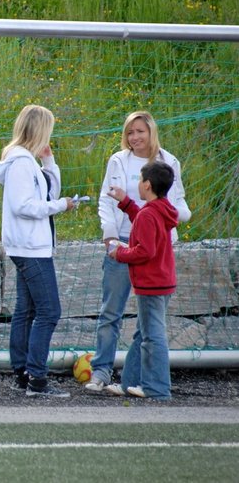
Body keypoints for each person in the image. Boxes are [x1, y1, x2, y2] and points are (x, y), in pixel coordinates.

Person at [86, 111, 190, 395]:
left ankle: (155, 386)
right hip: (121, 241)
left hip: (151, 254)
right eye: (130, 132)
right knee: (112, 312)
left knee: (151, 329)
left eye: (140, 131)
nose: (134, 137)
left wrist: (160, 218)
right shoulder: (118, 160)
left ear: (151, 131)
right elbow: (108, 201)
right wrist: (110, 237)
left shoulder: (169, 162)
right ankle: (104, 373)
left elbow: (178, 208)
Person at [0, 104, 75, 398]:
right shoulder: (20, 164)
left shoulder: (30, 162)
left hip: (32, 246)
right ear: (40, 130)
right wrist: (60, 206)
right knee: (49, 311)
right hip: (30, 248)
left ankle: (23, 373)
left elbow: (48, 191)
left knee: (26, 310)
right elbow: (24, 206)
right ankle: (37, 379)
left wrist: (49, 161)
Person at [106, 160, 178, 400]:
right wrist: (126, 202)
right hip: (163, 281)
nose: (138, 183)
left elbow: (144, 251)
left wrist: (120, 253)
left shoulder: (150, 213)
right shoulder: (160, 208)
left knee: (152, 336)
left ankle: (157, 388)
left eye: (139, 180)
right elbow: (145, 222)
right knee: (143, 334)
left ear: (147, 185)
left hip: (151, 284)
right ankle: (131, 382)